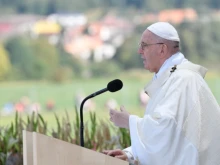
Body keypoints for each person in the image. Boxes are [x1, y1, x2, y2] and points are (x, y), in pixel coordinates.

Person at [102, 22, 220, 165]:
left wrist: (129, 121)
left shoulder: (183, 79)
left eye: (144, 45)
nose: (139, 51)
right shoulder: (173, 77)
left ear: (162, 49)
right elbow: (171, 141)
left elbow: (165, 127)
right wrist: (131, 154)